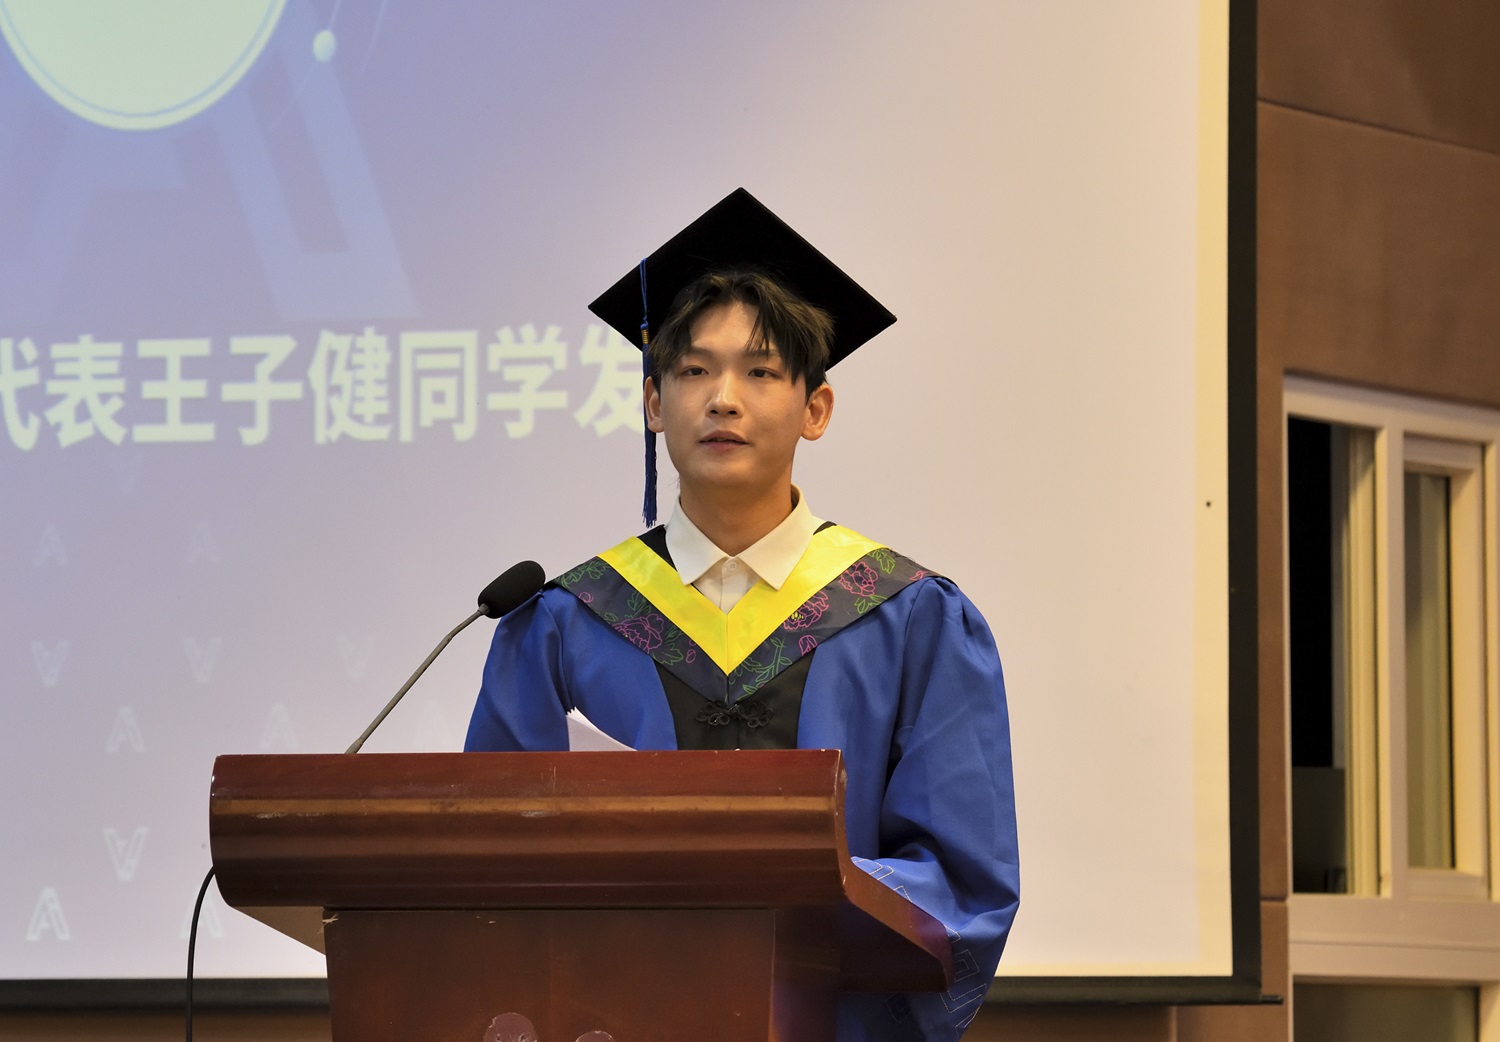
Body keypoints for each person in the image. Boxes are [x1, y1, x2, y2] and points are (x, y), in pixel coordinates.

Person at [465, 188, 1018, 1041]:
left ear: (815, 409)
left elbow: (962, 887)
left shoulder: (911, 619)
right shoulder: (563, 623)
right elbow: (491, 865)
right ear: (654, 405)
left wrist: (791, 889)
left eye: (760, 372)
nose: (723, 398)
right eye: (693, 371)